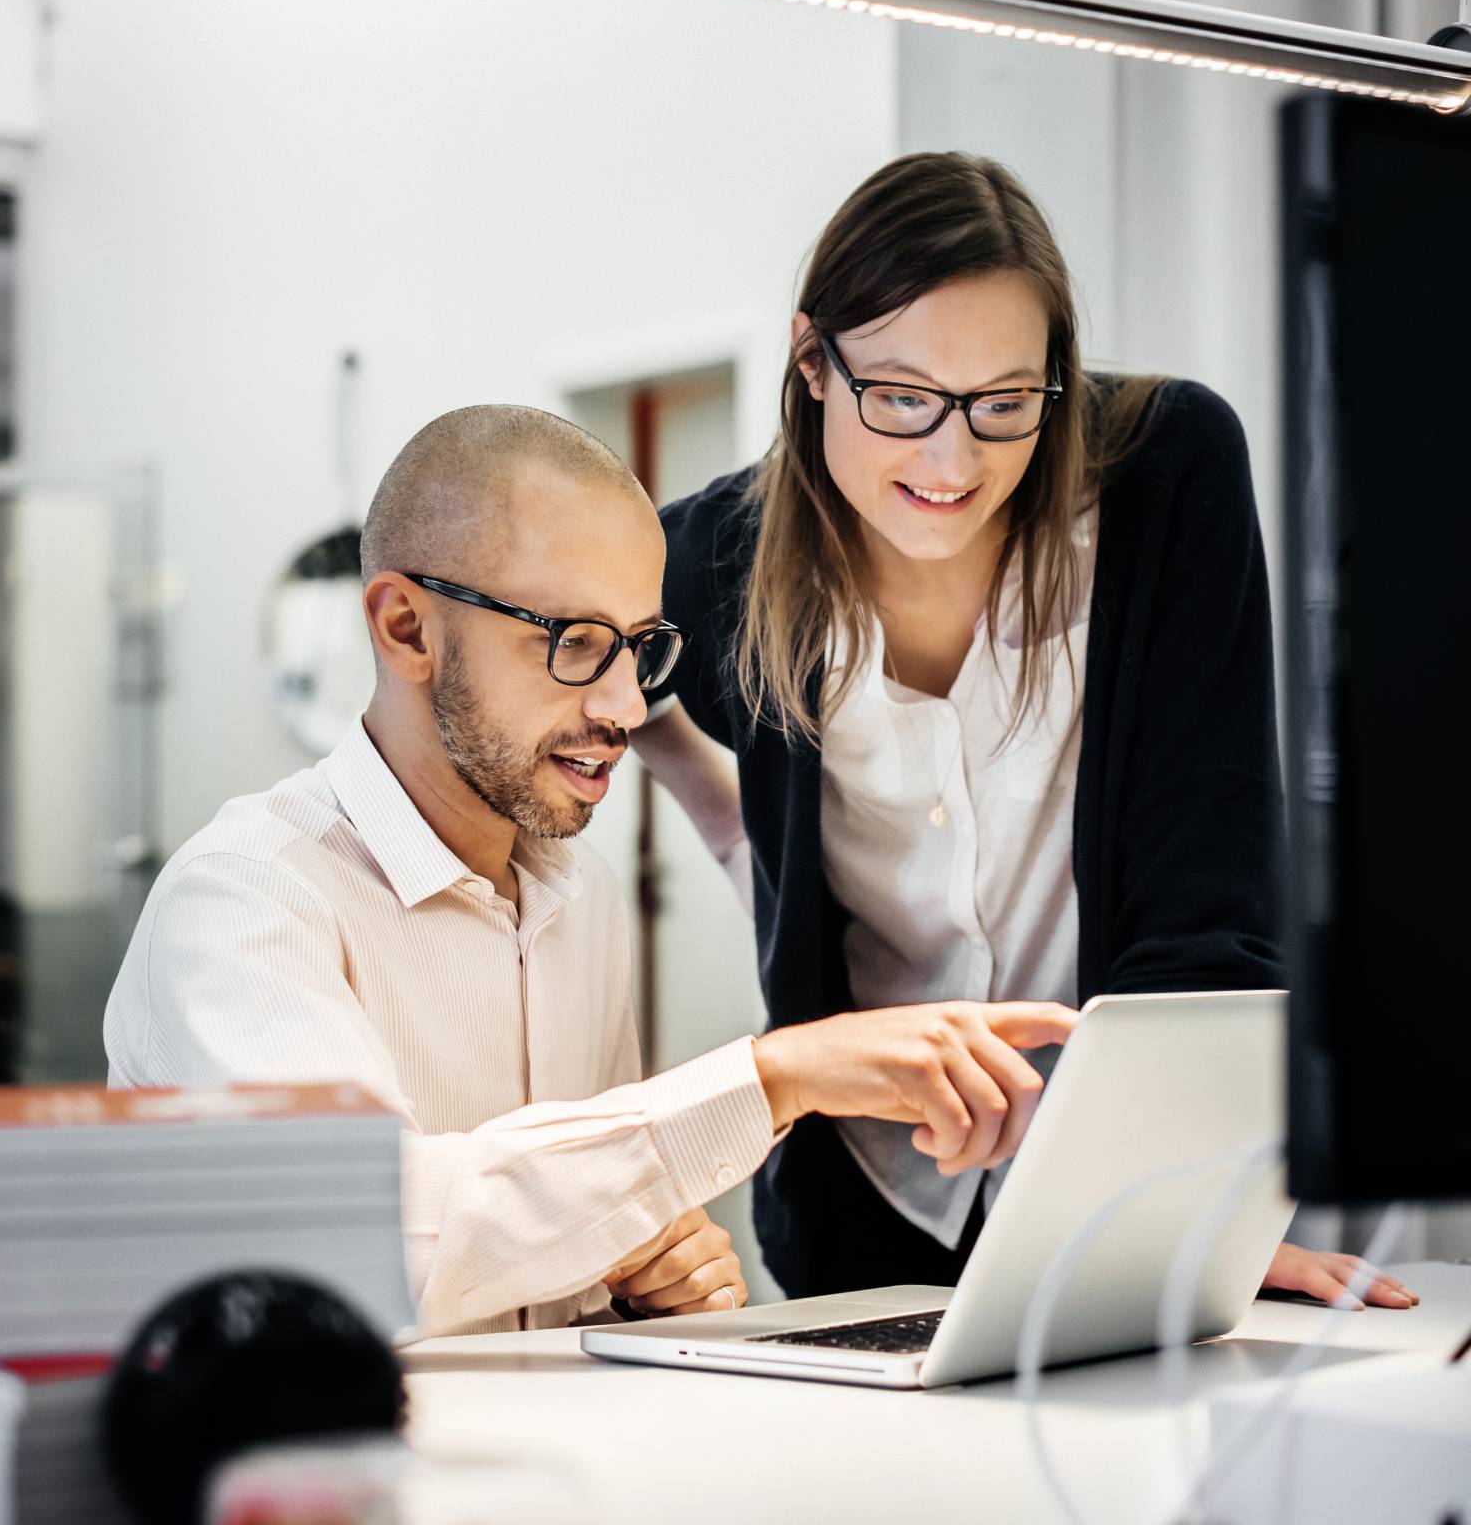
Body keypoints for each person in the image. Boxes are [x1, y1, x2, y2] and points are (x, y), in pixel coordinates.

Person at [103, 403, 1079, 1338]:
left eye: (640, 647)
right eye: (573, 643)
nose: (623, 705)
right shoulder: (243, 899)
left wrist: (641, 1277)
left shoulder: (583, 901)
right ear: (405, 628)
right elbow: (365, 1251)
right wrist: (772, 1077)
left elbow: (555, 1245)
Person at [635, 152, 1418, 1313]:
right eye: (901, 398)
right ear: (812, 360)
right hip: (863, 1198)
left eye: (1005, 403)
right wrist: (742, 840)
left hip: (1114, 1186)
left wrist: (1191, 1215)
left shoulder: (1163, 476)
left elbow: (1206, 896)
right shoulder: (713, 556)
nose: (954, 463)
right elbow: (591, 679)